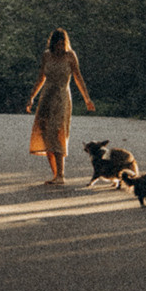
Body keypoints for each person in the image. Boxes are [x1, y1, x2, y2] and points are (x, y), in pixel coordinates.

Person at [24, 28, 94, 184]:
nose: (60, 47)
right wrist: (32, 97)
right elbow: (41, 78)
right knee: (45, 134)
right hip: (46, 97)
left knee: (57, 132)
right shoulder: (46, 56)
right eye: (58, 44)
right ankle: (56, 175)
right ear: (53, 43)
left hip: (61, 97)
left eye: (63, 43)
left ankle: (61, 174)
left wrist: (87, 99)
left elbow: (78, 78)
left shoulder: (70, 56)